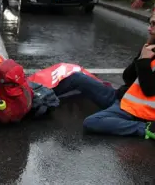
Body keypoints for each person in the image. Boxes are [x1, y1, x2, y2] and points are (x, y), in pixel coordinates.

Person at [53, 12, 155, 140]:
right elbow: (127, 77)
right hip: (122, 97)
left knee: (91, 123)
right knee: (77, 78)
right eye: (150, 23)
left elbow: (149, 90)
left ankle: (145, 128)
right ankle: (35, 98)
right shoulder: (150, 48)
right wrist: (141, 56)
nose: (149, 28)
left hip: (136, 111)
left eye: (154, 24)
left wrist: (144, 61)